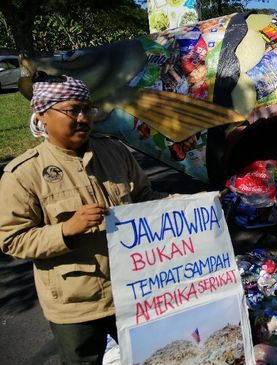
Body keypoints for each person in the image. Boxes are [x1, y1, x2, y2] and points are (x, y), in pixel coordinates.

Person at [0, 74, 167, 364]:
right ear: (42, 116)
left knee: (152, 356)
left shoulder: (114, 152)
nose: (82, 118)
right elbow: (12, 238)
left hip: (133, 292)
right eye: (72, 110)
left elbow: (144, 197)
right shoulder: (23, 174)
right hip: (75, 307)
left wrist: (194, 203)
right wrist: (65, 230)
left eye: (86, 109)